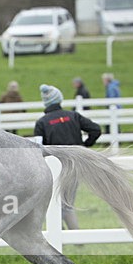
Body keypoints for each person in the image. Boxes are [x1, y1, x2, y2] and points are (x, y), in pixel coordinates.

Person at [34, 84, 102, 230]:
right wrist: (84, 146)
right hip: (75, 166)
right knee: (65, 203)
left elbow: (39, 148)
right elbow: (96, 130)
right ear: (59, 99)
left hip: (54, 168)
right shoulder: (73, 116)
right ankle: (70, 236)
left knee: (58, 204)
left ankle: (70, 236)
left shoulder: (42, 123)